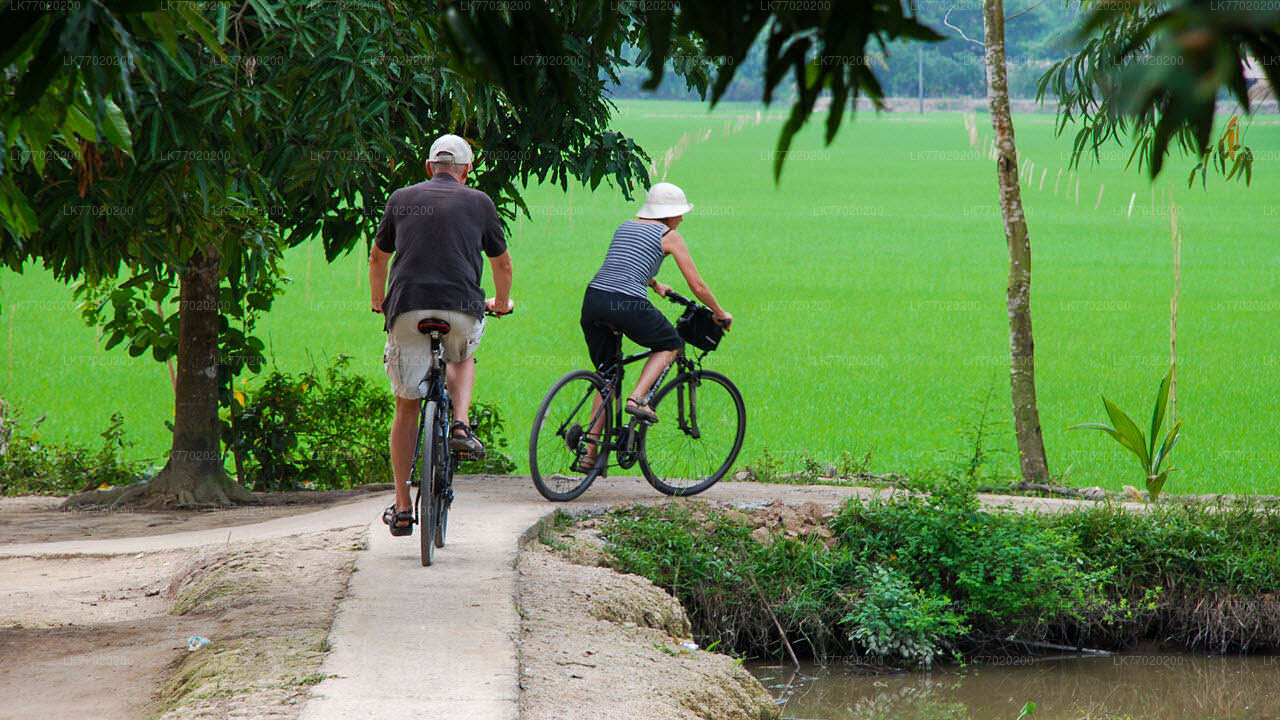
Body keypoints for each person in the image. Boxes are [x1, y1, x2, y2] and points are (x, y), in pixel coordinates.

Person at [370, 133, 514, 536]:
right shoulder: (480, 202)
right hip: (461, 309)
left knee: (406, 405)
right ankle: (462, 425)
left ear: (429, 166)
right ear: (467, 170)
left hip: (407, 308)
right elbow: (502, 265)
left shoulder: (401, 198)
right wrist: (501, 303)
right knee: (462, 355)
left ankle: (401, 506)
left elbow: (378, 256)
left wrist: (378, 299)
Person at [577, 182, 731, 471]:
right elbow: (696, 285)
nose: (682, 219)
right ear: (670, 214)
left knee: (607, 375)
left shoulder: (625, 226)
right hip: (626, 302)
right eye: (680, 213)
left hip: (594, 298)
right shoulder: (669, 235)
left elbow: (624, 264)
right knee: (670, 343)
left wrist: (656, 284)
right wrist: (719, 313)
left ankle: (589, 452)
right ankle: (638, 398)